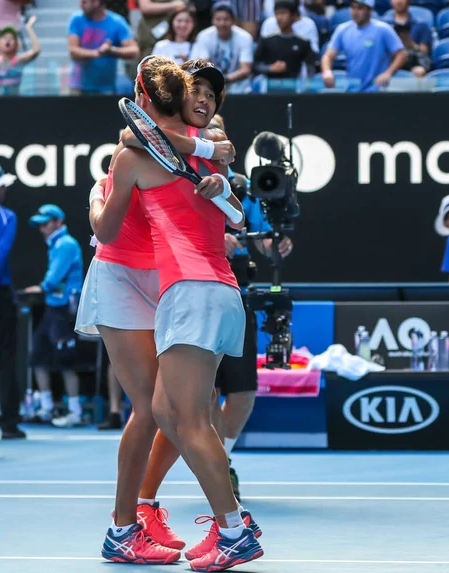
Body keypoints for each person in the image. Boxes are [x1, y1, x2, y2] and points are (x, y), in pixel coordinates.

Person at [93, 58, 263, 571]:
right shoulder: (210, 155)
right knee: (168, 413)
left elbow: (104, 230)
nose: (206, 101)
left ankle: (235, 529)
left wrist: (91, 204)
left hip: (193, 291)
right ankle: (138, 520)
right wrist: (221, 183)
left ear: (145, 96)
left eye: (213, 94)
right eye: (198, 92)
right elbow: (231, 211)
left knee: (185, 420)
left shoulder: (166, 155)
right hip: (209, 292)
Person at [24, 205, 84, 428]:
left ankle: (75, 411)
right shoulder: (56, 244)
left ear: (58, 222)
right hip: (53, 308)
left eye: (46, 223)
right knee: (37, 356)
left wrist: (40, 287)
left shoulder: (66, 244)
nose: (42, 228)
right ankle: (47, 408)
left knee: (66, 362)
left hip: (65, 310)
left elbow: (52, 280)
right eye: (39, 224)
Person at [0, 161, 25, 440]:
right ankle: (9, 424)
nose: (5, 188)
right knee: (5, 359)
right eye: (1, 183)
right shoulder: (6, 217)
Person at [321, 0, 407, 92]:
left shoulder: (383, 29)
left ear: (370, 10)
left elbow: (401, 54)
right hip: (353, 89)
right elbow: (328, 56)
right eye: (353, 7)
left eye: (360, 8)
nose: (355, 12)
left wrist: (388, 73)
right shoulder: (342, 30)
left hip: (378, 90)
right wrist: (327, 72)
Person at [67, 0, 139, 95]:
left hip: (107, 88)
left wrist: (112, 50)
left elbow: (134, 51)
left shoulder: (117, 21)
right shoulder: (76, 19)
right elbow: (73, 52)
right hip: (78, 88)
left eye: (84, 2)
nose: (80, 5)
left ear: (96, 2)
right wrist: (98, 52)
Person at [190, 3, 254, 93]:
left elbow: (246, 69)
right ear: (213, 20)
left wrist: (224, 80)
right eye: (218, 19)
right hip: (212, 84)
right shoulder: (204, 36)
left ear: (233, 20)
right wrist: (216, 81)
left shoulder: (245, 37)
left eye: (226, 19)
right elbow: (204, 65)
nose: (222, 23)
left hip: (238, 86)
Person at [253, 0, 316, 80]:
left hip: (294, 87)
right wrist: (270, 68)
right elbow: (255, 66)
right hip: (270, 87)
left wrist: (307, 85)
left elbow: (310, 67)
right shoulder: (266, 40)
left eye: (283, 13)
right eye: (277, 14)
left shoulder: (303, 42)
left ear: (293, 16)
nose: (279, 17)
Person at [0, 16, 40, 94]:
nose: (8, 40)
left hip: (14, 103)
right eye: (4, 38)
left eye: (11, 38)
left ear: (16, 45)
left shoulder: (18, 61)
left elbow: (36, 51)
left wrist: (29, 28)